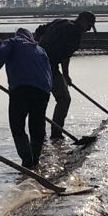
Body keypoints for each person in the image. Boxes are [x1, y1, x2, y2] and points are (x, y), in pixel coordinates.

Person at [0, 28, 53, 169]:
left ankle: (27, 162)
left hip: (21, 90)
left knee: (17, 126)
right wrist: (46, 93)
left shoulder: (12, 42)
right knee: (37, 127)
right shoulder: (40, 50)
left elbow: (0, 54)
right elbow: (49, 73)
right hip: (42, 92)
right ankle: (35, 161)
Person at [34, 10, 96, 139]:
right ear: (82, 21)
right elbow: (65, 57)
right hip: (48, 66)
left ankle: (39, 136)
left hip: (35, 62)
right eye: (89, 26)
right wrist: (66, 76)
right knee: (64, 99)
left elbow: (39, 31)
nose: (88, 29)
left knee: (40, 100)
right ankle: (56, 134)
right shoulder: (75, 33)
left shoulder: (60, 21)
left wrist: (38, 48)